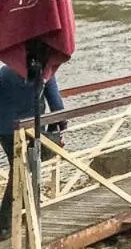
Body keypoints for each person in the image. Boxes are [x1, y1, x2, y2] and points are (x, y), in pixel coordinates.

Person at [0, 64, 65, 238]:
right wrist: (58, 130)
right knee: (23, 170)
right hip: (30, 129)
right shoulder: (45, 72)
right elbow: (58, 107)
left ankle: (14, 217)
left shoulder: (5, 71)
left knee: (19, 169)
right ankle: (6, 223)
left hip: (5, 130)